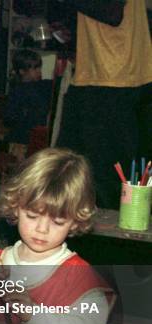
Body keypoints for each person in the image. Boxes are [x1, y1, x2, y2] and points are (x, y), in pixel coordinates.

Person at [0, 148, 114, 324]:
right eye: (32, 216)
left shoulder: (79, 276)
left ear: (75, 221)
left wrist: (33, 314)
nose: (42, 229)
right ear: (15, 207)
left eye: (57, 222)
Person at [55, 0, 152, 208]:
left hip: (112, 79)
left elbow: (112, 12)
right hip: (110, 76)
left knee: (102, 179)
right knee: (70, 169)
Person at [4, 49, 53, 163]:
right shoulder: (17, 91)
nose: (39, 71)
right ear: (22, 71)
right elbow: (9, 117)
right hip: (20, 140)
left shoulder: (43, 86)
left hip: (37, 136)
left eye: (39, 68)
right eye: (35, 68)